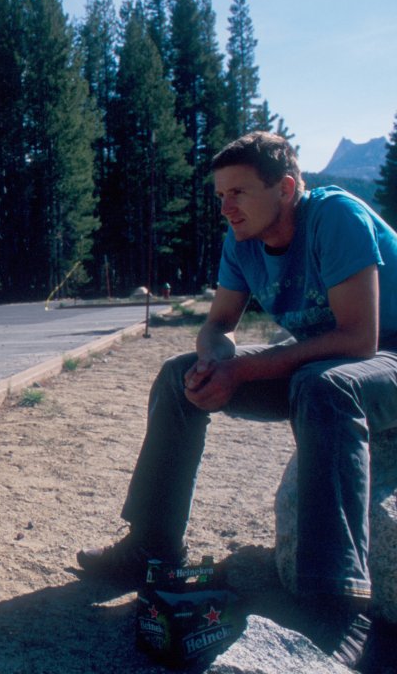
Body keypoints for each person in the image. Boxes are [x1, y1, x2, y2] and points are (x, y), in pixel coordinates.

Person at [76, 131, 397, 668]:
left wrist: (243, 368)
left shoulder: (335, 217)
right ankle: (152, 544)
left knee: (324, 388)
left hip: (385, 354)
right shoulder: (243, 237)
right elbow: (219, 323)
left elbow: (358, 339)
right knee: (179, 378)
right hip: (324, 361)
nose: (226, 207)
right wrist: (212, 362)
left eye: (239, 192)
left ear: (286, 188)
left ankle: (338, 603)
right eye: (221, 195)